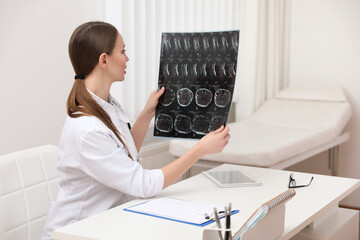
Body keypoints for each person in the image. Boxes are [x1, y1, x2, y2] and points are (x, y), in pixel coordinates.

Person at [41, 21, 230, 239]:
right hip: (77, 231)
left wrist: (146, 114)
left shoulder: (107, 104)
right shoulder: (87, 129)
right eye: (122, 51)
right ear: (104, 60)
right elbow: (143, 184)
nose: (127, 58)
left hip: (106, 223)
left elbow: (123, 155)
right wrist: (200, 149)